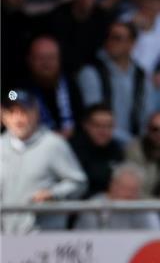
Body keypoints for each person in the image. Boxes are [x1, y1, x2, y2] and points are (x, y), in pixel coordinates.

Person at [1, 88, 88, 234]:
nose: (18, 118)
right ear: (3, 116)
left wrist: (53, 193)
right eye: (12, 112)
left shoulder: (53, 144)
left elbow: (79, 182)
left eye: (24, 111)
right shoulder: (1, 145)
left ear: (36, 113)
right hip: (4, 237)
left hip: (42, 236)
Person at [76, 21, 158, 143]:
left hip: (135, 144)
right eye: (108, 37)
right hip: (102, 143)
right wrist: (131, 143)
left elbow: (148, 115)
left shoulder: (141, 75)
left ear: (132, 44)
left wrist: (142, 143)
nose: (111, 41)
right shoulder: (91, 72)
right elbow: (95, 120)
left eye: (117, 38)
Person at [74, 162, 160, 231]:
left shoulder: (144, 209)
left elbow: (155, 237)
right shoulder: (94, 207)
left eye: (133, 190)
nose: (129, 195)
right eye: (124, 188)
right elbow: (88, 239)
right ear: (112, 186)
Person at [23, 35, 82, 137]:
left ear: (59, 59)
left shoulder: (70, 85)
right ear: (30, 59)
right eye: (40, 58)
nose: (46, 63)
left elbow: (81, 117)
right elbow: (11, 99)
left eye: (51, 57)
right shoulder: (19, 87)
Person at [68, 103, 124, 197]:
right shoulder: (71, 150)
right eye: (98, 126)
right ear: (86, 125)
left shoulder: (116, 148)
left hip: (111, 202)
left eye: (108, 126)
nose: (103, 131)